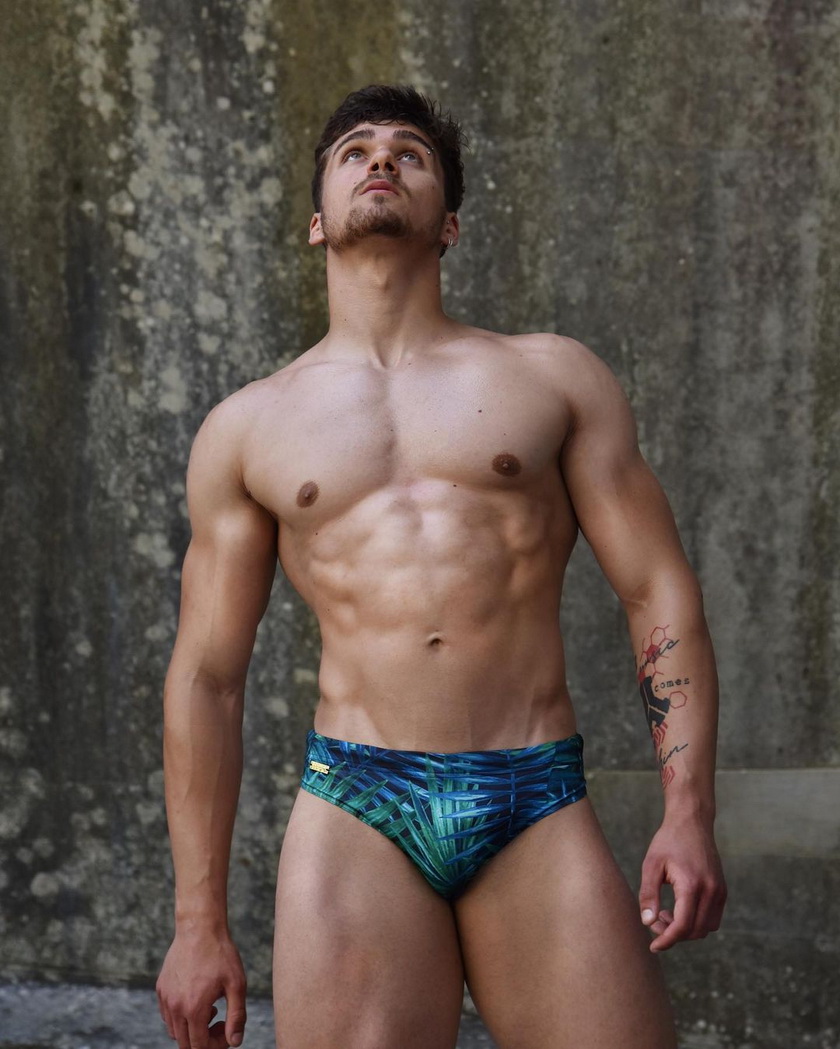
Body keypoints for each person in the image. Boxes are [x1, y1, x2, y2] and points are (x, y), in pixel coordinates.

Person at [156, 84, 727, 1049]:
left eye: (409, 152)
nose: (381, 158)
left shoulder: (551, 377)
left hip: (533, 792)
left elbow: (655, 588)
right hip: (356, 802)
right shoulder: (248, 428)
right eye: (355, 152)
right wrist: (196, 920)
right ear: (317, 219)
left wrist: (689, 808)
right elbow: (208, 675)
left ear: (450, 222)